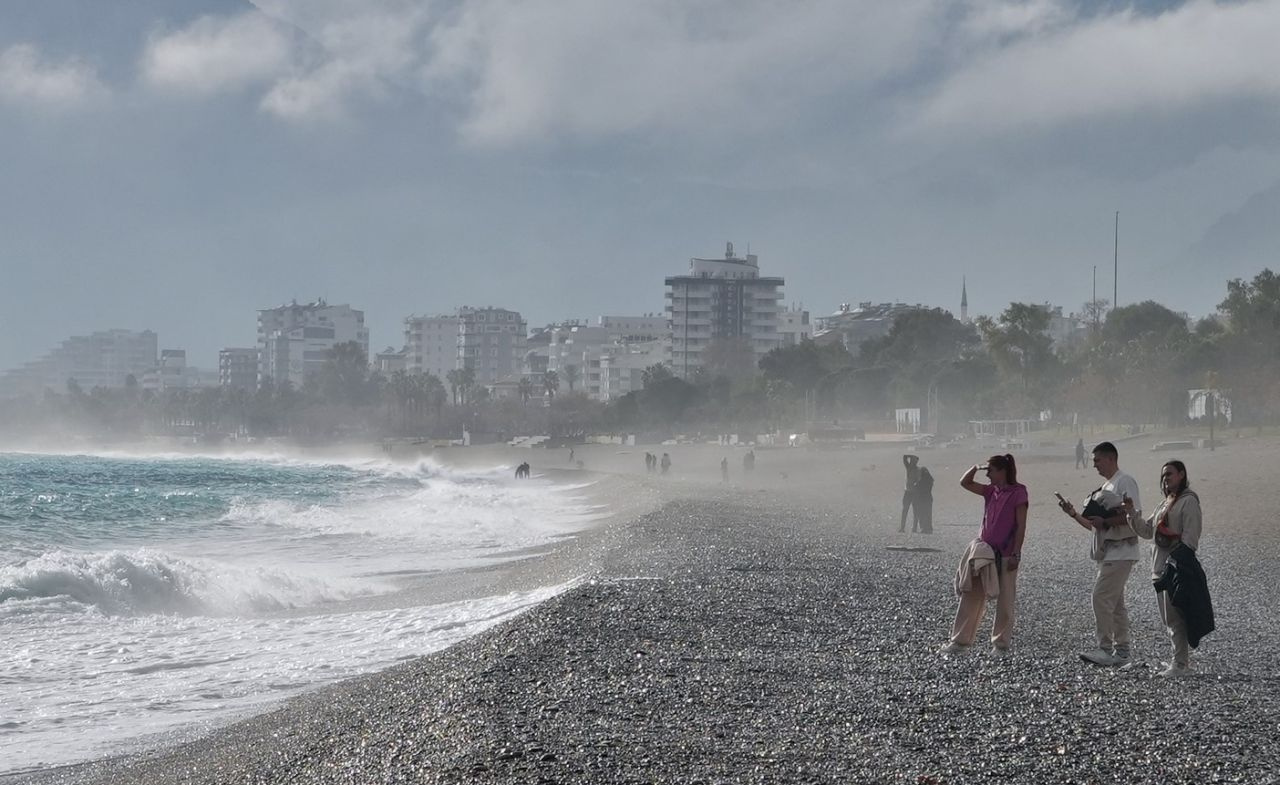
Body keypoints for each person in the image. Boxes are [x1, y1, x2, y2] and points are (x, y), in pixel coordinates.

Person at [1056, 441, 1142, 666]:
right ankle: (1122, 652)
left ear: (1111, 458)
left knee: (1100, 597)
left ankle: (1105, 648)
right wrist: (1074, 513)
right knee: (1115, 603)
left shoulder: (1125, 481)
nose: (1094, 465)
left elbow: (1134, 515)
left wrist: (1105, 520)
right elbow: (1096, 527)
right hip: (1108, 552)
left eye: (1097, 460)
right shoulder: (1105, 487)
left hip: (1122, 550)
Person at [941, 454, 1028, 656]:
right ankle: (961, 642)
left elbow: (1021, 526)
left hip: (1006, 554)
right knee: (972, 594)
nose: (987, 474)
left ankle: (1001, 645)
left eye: (991, 470)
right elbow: (965, 482)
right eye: (987, 471)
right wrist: (977, 467)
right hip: (985, 552)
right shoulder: (991, 492)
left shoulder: (1018, 492)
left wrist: (1017, 553)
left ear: (1002, 471)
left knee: (1005, 599)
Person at [1123, 460, 1203, 677]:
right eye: (1163, 475)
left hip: (1175, 570)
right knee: (1169, 618)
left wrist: (1175, 565)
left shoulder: (1189, 502)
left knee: (1176, 617)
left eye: (1169, 474)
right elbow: (1148, 531)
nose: (1165, 479)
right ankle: (1180, 661)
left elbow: (1190, 539)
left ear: (1182, 474)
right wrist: (1131, 513)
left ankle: (1180, 665)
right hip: (1158, 570)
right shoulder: (1164, 504)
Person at [899, 455, 921, 533]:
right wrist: (911, 456)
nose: (911, 462)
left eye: (913, 461)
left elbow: (919, 481)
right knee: (905, 510)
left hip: (913, 492)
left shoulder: (917, 470)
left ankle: (914, 528)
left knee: (915, 511)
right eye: (911, 460)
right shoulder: (908, 468)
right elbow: (904, 457)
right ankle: (902, 527)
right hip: (908, 491)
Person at [914, 466, 934, 534]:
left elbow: (916, 487)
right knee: (928, 513)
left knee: (921, 513)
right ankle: (929, 528)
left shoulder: (921, 481)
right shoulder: (930, 480)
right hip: (928, 498)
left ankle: (923, 528)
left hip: (921, 498)